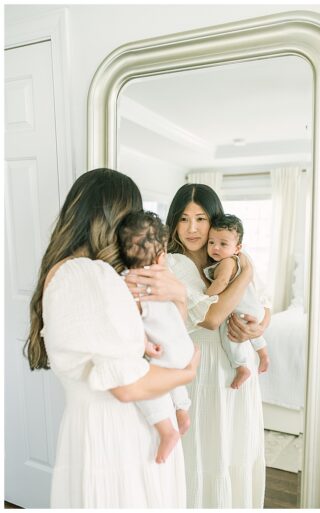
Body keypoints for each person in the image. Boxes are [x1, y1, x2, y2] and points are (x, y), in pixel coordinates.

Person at [26, 168, 199, 507]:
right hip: (117, 440)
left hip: (130, 432)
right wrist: (189, 373)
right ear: (112, 219)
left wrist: (177, 297)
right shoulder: (84, 276)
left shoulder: (103, 277)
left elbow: (158, 340)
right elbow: (129, 386)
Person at [164, 184, 269, 508]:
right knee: (202, 451)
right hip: (200, 365)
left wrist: (260, 326)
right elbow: (210, 318)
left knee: (235, 446)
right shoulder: (172, 263)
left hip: (238, 363)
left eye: (201, 218)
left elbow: (263, 304)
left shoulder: (230, 254)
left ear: (216, 221)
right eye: (183, 219)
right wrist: (245, 271)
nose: (192, 228)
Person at [117, 210, 194, 464]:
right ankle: (182, 411)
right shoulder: (166, 278)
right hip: (184, 346)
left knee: (148, 385)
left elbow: (133, 323)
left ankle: (166, 430)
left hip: (164, 352)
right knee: (174, 377)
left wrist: (145, 344)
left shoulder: (129, 284)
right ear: (161, 256)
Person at [204, 213, 271, 389]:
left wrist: (206, 295)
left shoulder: (227, 263)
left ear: (237, 248)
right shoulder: (240, 260)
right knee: (254, 333)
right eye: (211, 242)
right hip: (255, 309)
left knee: (229, 333)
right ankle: (263, 355)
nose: (215, 248)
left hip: (242, 310)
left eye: (223, 244)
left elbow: (222, 282)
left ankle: (241, 366)